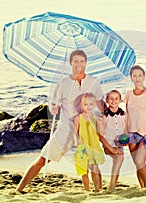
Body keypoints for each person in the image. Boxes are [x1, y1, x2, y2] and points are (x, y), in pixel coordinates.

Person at [16, 50, 105, 192]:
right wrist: (54, 108)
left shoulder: (93, 82)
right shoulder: (63, 83)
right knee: (42, 160)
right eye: (76, 61)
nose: (79, 65)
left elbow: (100, 103)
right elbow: (53, 105)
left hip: (86, 129)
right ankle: (18, 190)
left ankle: (96, 192)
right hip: (65, 129)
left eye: (82, 61)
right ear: (70, 63)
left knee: (92, 164)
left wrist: (111, 113)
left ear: (86, 63)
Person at [124, 65, 146, 188]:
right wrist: (125, 133)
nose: (137, 78)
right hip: (132, 134)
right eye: (134, 76)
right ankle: (143, 187)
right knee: (137, 164)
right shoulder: (128, 94)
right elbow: (127, 114)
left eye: (140, 75)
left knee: (140, 161)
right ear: (131, 78)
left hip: (145, 134)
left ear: (143, 77)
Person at [73, 93, 106, 192]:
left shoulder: (96, 118)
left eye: (91, 104)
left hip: (94, 146)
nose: (88, 107)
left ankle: (97, 189)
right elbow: (75, 132)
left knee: (95, 169)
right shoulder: (78, 118)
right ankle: (87, 189)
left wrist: (101, 124)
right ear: (82, 105)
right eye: (85, 104)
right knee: (84, 170)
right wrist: (77, 142)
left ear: (95, 104)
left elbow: (101, 133)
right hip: (82, 146)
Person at [100, 90, 127, 192]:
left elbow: (126, 130)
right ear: (107, 100)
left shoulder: (124, 114)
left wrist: (126, 139)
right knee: (119, 158)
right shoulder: (104, 116)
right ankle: (112, 186)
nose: (114, 101)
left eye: (116, 98)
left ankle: (113, 184)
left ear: (120, 100)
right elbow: (100, 136)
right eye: (111, 98)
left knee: (119, 159)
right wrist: (110, 148)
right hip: (108, 144)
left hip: (119, 144)